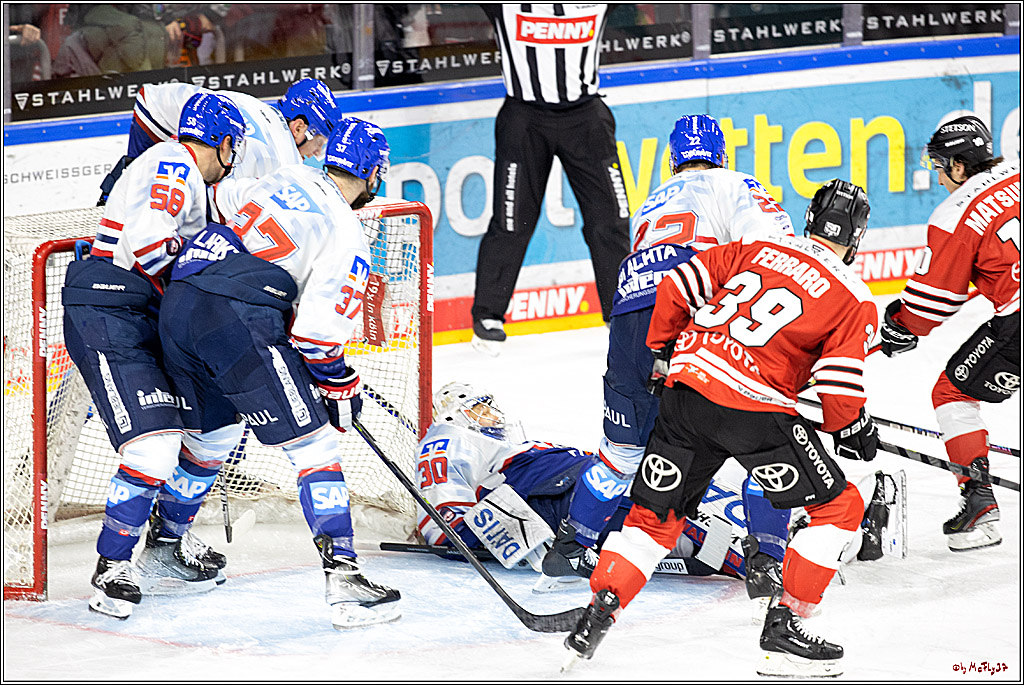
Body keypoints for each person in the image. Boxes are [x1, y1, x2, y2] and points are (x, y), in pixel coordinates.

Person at [564, 179, 881, 678]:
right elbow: (839, 392)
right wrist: (853, 425)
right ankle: (785, 625)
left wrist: (666, 350)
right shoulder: (854, 295)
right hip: (753, 414)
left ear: (809, 220)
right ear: (857, 237)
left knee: (652, 522)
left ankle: (596, 616)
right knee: (839, 507)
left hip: (685, 397)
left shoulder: (757, 248)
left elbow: (677, 285)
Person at [156, 118, 402, 630]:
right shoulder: (347, 234)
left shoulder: (283, 177)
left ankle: (164, 541)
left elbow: (219, 196)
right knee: (315, 447)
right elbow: (316, 338)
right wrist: (340, 384)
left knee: (214, 436)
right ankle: (346, 580)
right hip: (235, 317)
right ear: (374, 174)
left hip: (179, 303)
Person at [545, 114, 797, 586]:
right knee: (760, 438)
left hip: (629, 318)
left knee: (621, 453)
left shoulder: (651, 202)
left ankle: (572, 544)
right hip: (690, 311)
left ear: (672, 158)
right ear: (722, 156)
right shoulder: (733, 182)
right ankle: (766, 557)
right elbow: (772, 249)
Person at [417, 382, 902, 597]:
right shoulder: (448, 437)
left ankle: (836, 530)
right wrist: (516, 531)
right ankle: (842, 541)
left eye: (489, 405)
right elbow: (444, 528)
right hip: (562, 498)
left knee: (715, 494)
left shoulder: (512, 439)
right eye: (479, 409)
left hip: (585, 487)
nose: (492, 415)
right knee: (696, 532)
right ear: (456, 416)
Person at [62, 92, 247, 619]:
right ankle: (112, 566)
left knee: (218, 429)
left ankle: (168, 544)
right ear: (223, 143)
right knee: (155, 448)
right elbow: (147, 248)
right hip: (109, 309)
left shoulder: (186, 173)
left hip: (152, 311)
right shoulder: (174, 163)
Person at [880, 115, 1020, 552]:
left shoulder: (957, 214)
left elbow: (933, 302)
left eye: (941, 166)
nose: (938, 177)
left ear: (960, 166)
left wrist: (899, 325)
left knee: (951, 394)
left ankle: (980, 504)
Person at [469, 4, 631, 355]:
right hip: (525, 119)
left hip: (586, 118)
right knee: (512, 220)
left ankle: (621, 312)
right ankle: (488, 316)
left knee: (611, 220)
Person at [98, 77, 342, 205]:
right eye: (319, 141)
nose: (317, 153)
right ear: (299, 127)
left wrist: (135, 167)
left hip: (158, 204)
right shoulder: (287, 164)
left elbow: (150, 100)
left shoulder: (242, 100)